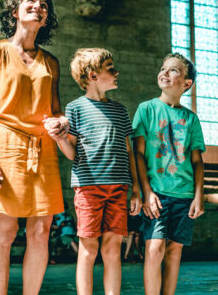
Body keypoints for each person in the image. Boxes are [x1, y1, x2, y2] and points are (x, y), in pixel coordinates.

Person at [0, 0, 66, 294]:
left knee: (41, 231)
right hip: (5, 144)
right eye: (30, 2)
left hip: (44, 149)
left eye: (43, 6)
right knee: (5, 230)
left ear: (46, 20)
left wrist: (61, 122)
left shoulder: (51, 62)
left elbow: (55, 110)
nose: (37, 7)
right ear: (14, 12)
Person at [51, 47, 142, 295]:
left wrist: (135, 190)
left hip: (118, 188)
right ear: (92, 75)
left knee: (112, 248)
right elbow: (72, 154)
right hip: (89, 187)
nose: (116, 72)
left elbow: (129, 152)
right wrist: (59, 139)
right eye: (110, 68)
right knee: (88, 247)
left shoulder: (121, 111)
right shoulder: (75, 109)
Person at [132, 53, 206, 295]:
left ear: (186, 83)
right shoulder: (146, 109)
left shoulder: (191, 119)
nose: (164, 73)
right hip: (157, 194)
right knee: (154, 249)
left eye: (173, 70)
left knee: (174, 252)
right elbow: (138, 154)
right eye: (163, 68)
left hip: (184, 196)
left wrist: (198, 196)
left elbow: (197, 161)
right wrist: (146, 192)